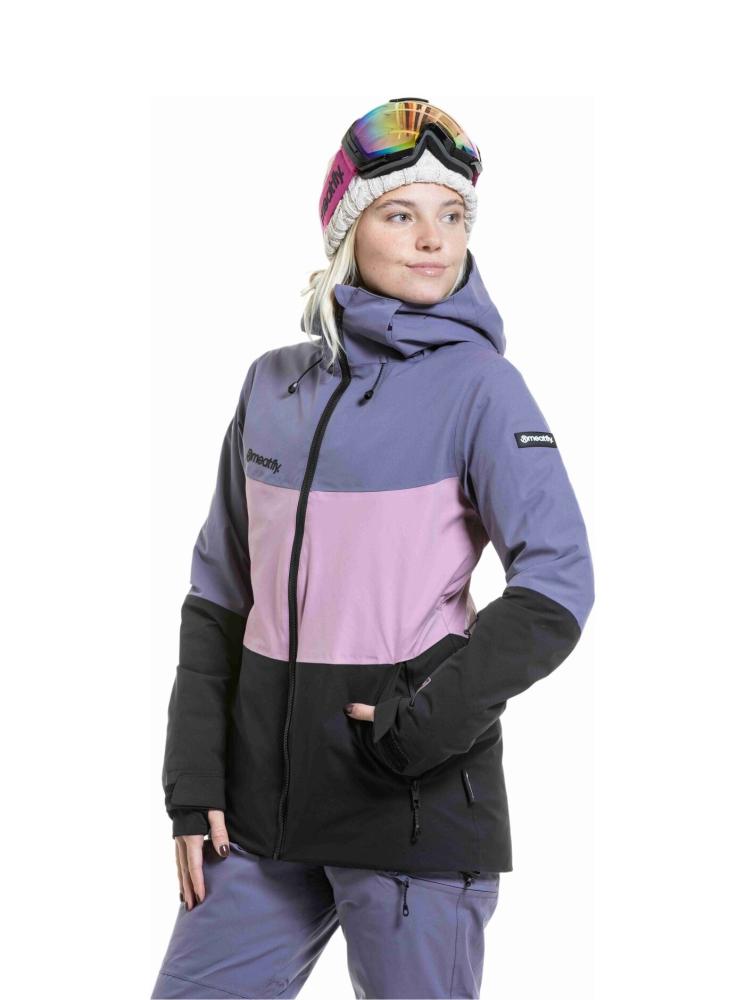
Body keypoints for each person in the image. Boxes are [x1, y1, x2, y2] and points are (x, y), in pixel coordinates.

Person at [151, 97, 595, 1000]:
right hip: (257, 821)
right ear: (346, 230)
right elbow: (218, 595)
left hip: (409, 810)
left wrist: (422, 722)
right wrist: (193, 781)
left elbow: (557, 584)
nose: (433, 239)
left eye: (452, 215)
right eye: (400, 213)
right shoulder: (271, 386)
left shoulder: (482, 389)